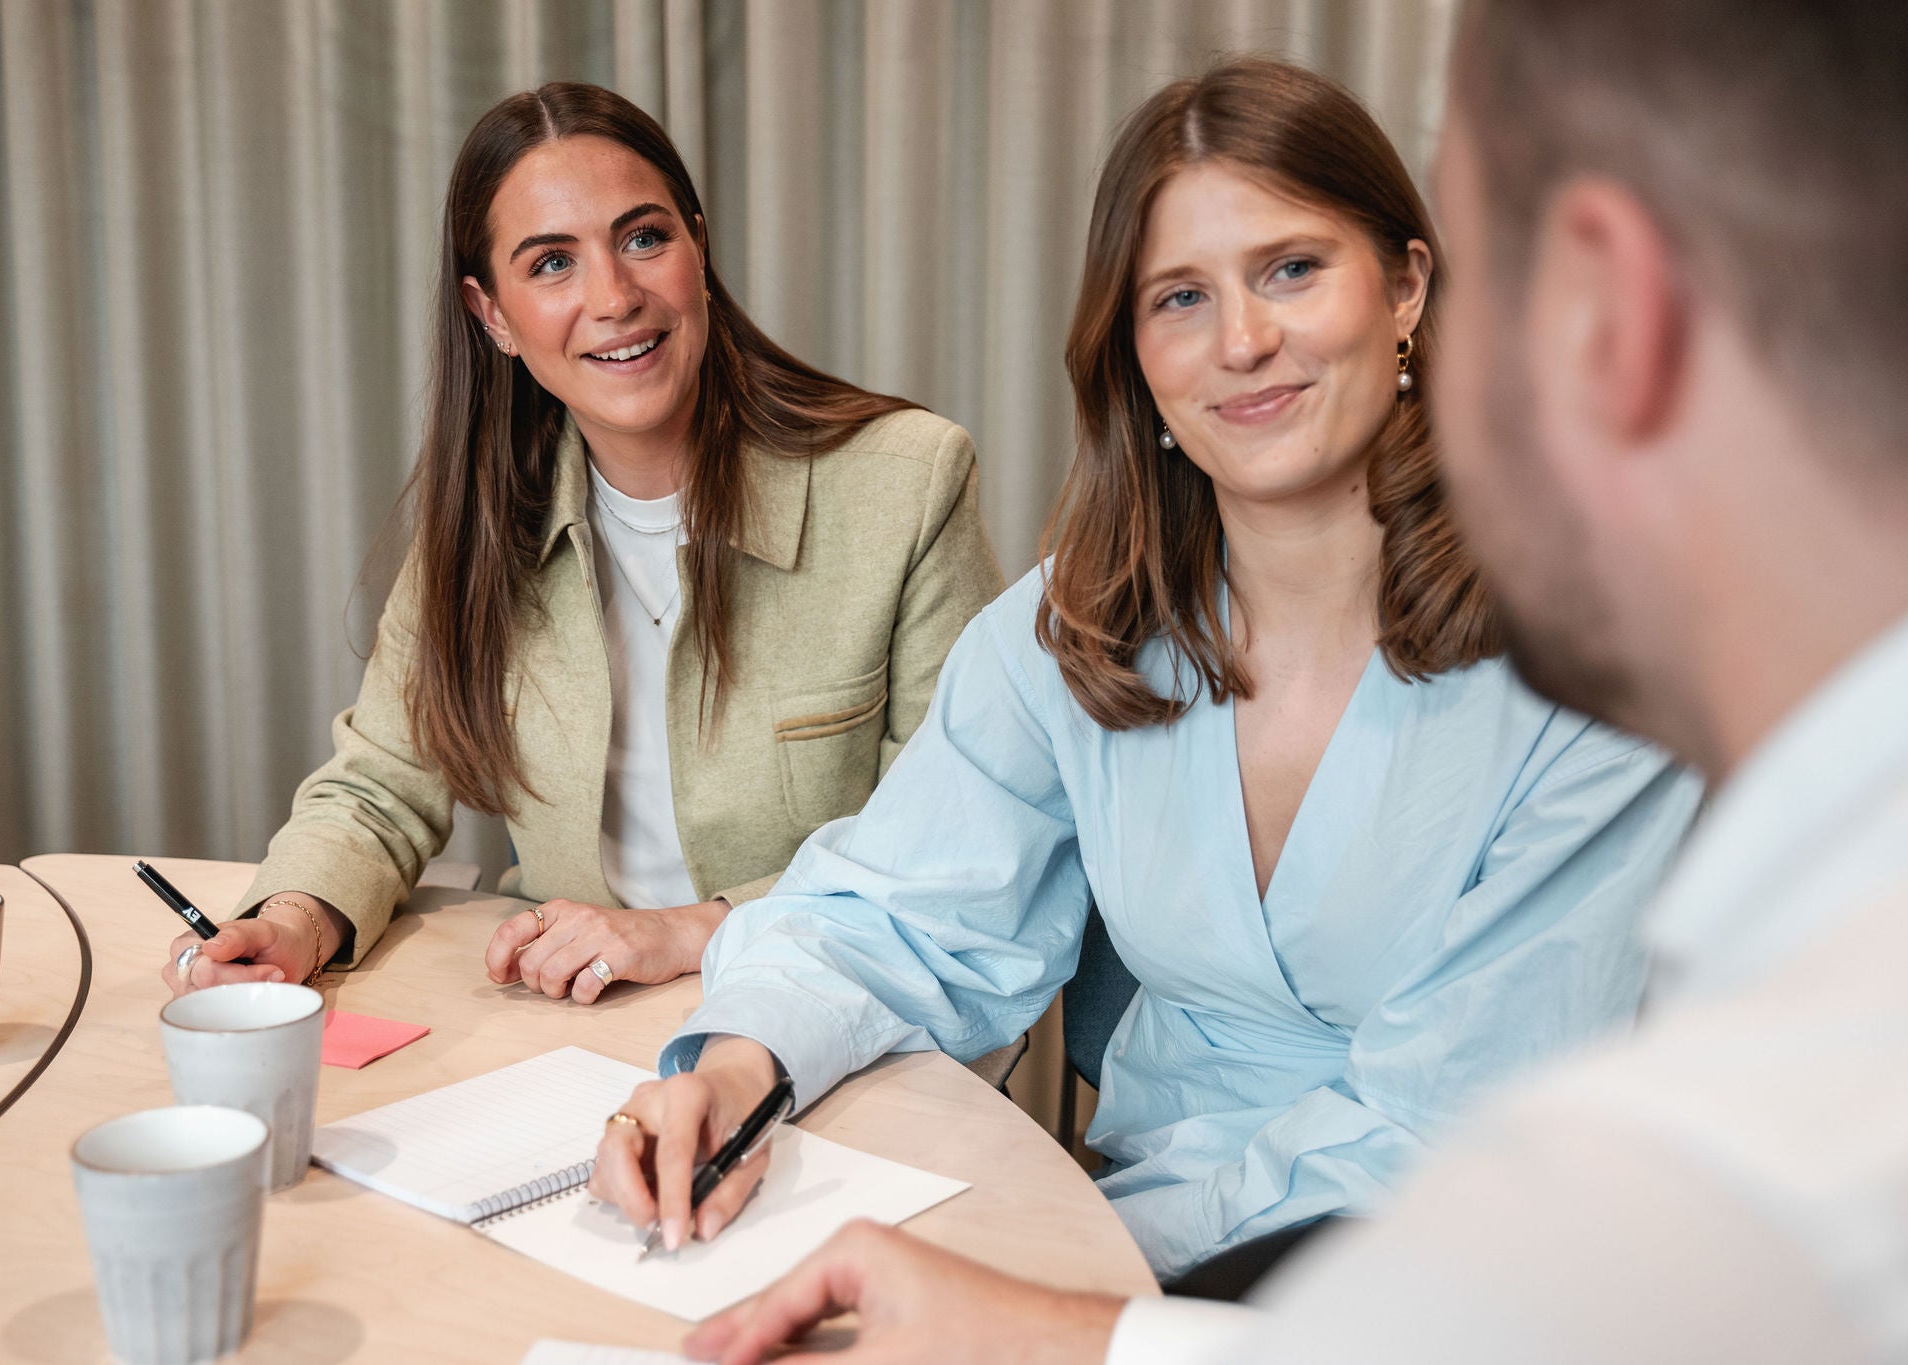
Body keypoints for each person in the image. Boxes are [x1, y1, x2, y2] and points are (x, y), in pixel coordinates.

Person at [674, 2, 1908, 1362]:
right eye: (1181, 298)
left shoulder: (1589, 661)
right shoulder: (1070, 632)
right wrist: (738, 1061)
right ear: (1131, 354)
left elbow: (1441, 1128)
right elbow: (897, 912)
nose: (1243, 341)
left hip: (1404, 1272)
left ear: (1412, 290)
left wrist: (1067, 1285)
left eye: (1293, 270)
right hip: (1105, 1241)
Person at [159, 83, 1003, 1000]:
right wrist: (294, 920)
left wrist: (686, 932)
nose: (614, 296)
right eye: (552, 264)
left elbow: (950, 833)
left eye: (644, 237)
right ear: (493, 317)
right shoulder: (481, 521)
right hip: (580, 1021)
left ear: (698, 246)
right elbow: (380, 787)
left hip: (841, 997)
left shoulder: (907, 480)